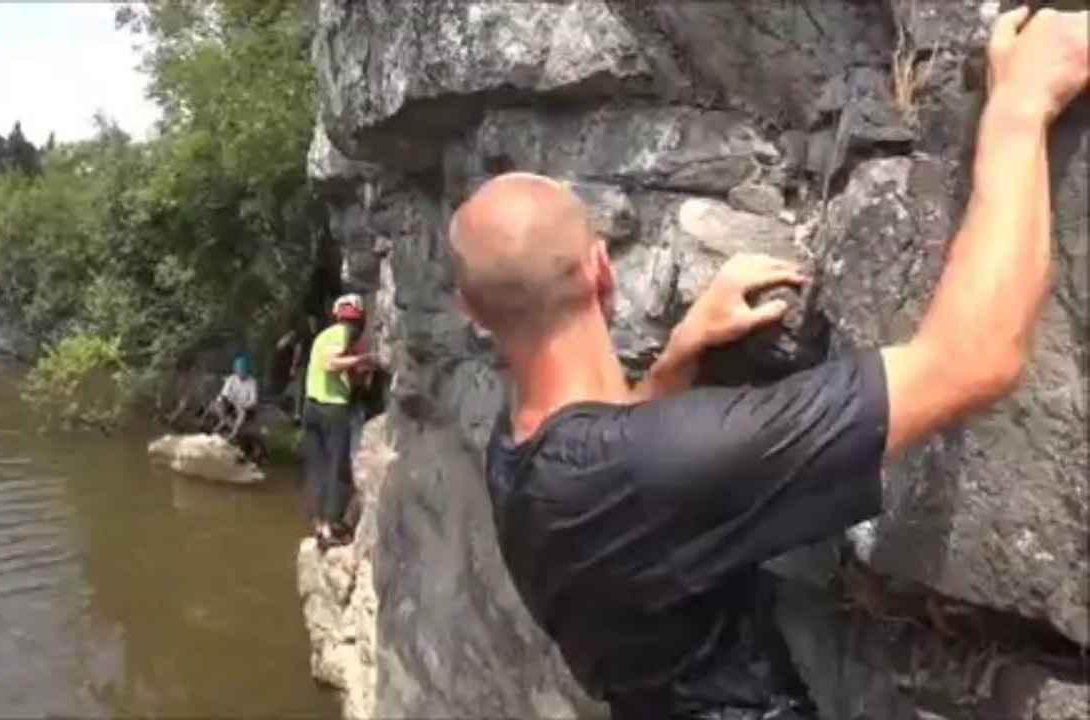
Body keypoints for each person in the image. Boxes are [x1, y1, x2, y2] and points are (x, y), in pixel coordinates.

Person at [446, 9, 1087, 720]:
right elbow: (973, 361)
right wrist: (1019, 110)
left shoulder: (513, 454)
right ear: (602, 270)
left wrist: (676, 360)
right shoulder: (650, 467)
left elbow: (615, 460)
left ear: (473, 313)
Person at [303, 294, 374, 547]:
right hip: (332, 409)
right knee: (336, 469)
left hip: (311, 407)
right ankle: (330, 529)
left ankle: (318, 525)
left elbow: (329, 369)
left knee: (317, 468)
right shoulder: (342, 334)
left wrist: (355, 376)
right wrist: (364, 359)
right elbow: (331, 363)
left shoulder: (322, 336)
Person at [212, 354, 258, 443]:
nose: (241, 372)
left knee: (242, 413)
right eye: (239, 370)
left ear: (246, 370)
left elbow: (254, 400)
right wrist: (231, 401)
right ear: (235, 370)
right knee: (218, 403)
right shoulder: (231, 379)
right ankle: (224, 421)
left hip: (244, 406)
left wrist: (244, 405)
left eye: (243, 370)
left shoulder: (252, 382)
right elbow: (224, 393)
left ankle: (233, 433)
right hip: (231, 403)